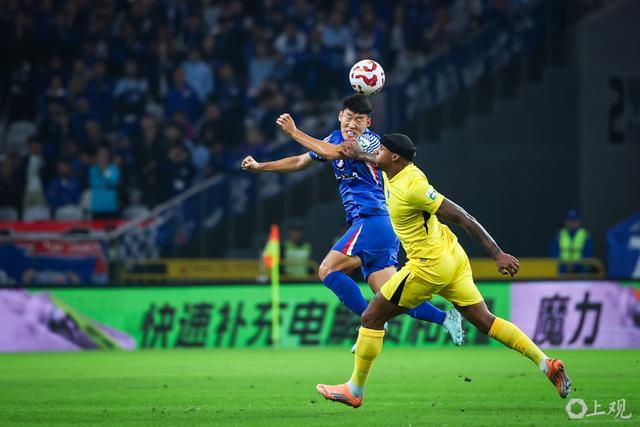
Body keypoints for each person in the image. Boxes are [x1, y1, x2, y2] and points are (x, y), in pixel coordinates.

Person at [298, 133, 571, 408]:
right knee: (485, 320)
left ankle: (354, 390)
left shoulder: (413, 187)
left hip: (428, 266)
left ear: (394, 156)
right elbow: (372, 158)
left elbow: (463, 217)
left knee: (371, 317)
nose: (375, 152)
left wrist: (497, 253)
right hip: (452, 258)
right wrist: (356, 154)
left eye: (380, 150)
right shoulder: (394, 170)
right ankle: (545, 363)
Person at [241, 94, 463, 344]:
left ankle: (372, 320)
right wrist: (261, 166)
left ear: (368, 123)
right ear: (340, 116)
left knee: (327, 270)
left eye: (359, 119)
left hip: (373, 219)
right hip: (380, 226)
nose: (352, 124)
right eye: (349, 117)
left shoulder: (370, 141)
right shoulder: (332, 140)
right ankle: (445, 318)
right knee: (391, 295)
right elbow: (300, 161)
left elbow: (335, 153)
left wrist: (294, 132)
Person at [550, 209, 593, 274]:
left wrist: (577, 266)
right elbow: (554, 253)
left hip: (580, 271)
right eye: (570, 221)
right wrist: (563, 266)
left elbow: (588, 254)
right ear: (566, 222)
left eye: (574, 221)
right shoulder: (559, 235)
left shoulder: (585, 235)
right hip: (562, 271)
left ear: (579, 222)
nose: (572, 223)